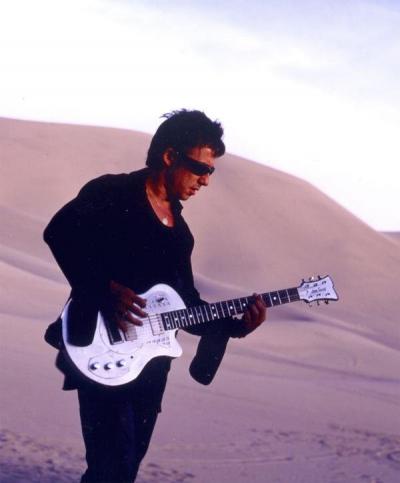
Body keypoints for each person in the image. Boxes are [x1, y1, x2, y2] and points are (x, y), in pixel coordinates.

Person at [44, 109, 267, 482]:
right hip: (99, 347)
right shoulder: (112, 192)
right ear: (169, 156)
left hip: (150, 368)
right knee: (111, 468)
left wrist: (236, 326)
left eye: (211, 172)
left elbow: (186, 306)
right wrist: (102, 288)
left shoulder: (180, 235)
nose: (205, 181)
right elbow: (59, 233)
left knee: (123, 468)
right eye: (200, 169)